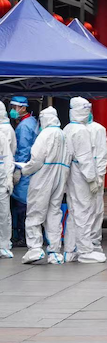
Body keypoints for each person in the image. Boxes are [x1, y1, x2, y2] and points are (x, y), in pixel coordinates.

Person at [18, 107, 70, 265]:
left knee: (35, 212)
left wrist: (24, 170)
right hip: (59, 177)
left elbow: (36, 160)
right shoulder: (63, 134)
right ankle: (55, 251)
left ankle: (35, 249)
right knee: (54, 213)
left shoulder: (45, 134)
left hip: (43, 177)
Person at [64, 97, 104, 263]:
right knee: (84, 213)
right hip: (81, 176)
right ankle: (85, 251)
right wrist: (92, 179)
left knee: (74, 213)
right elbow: (85, 158)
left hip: (72, 175)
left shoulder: (68, 128)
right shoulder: (81, 131)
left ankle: (70, 249)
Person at [10, 96, 38, 247]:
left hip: (24, 168)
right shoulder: (30, 121)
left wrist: (18, 169)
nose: (12, 110)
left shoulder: (24, 126)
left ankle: (23, 237)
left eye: (15, 107)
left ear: (23, 107)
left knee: (22, 204)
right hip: (31, 168)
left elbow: (23, 150)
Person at [89, 111, 107, 254]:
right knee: (81, 211)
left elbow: (102, 153)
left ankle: (94, 241)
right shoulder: (73, 129)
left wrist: (100, 175)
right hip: (79, 176)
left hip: (95, 174)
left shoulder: (98, 129)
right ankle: (83, 241)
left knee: (96, 208)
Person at [0, 127, 14, 258]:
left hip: (1, 181)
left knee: (3, 214)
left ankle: (3, 245)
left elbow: (8, 159)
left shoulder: (1, 136)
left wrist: (9, 178)